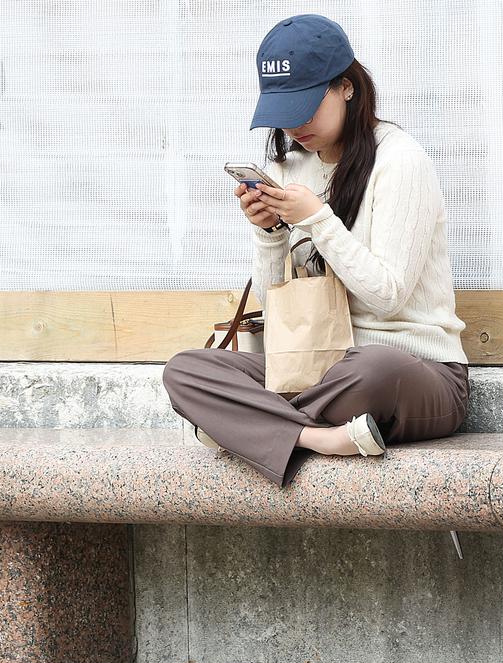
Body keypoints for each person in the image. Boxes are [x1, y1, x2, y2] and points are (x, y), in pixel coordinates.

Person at [162, 13, 469, 487]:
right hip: (311, 365)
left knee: (371, 368)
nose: (294, 124)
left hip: (412, 371)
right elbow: (277, 307)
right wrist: (269, 233)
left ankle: (248, 427)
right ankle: (317, 438)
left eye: (306, 105)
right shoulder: (291, 166)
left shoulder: (400, 161)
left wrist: (316, 220)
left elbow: (387, 297)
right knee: (187, 371)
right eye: (284, 110)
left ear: (346, 87)